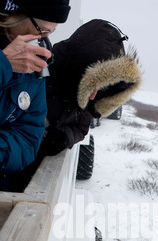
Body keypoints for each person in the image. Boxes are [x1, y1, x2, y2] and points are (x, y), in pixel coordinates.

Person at [0, 0, 71, 191]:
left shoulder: (33, 60)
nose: (44, 39)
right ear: (14, 11)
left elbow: (28, 135)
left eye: (50, 32)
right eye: (41, 29)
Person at [38, 19, 143, 158]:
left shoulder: (85, 100)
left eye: (100, 89)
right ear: (79, 71)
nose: (93, 97)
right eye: (91, 86)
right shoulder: (39, 76)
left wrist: (64, 136)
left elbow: (81, 129)